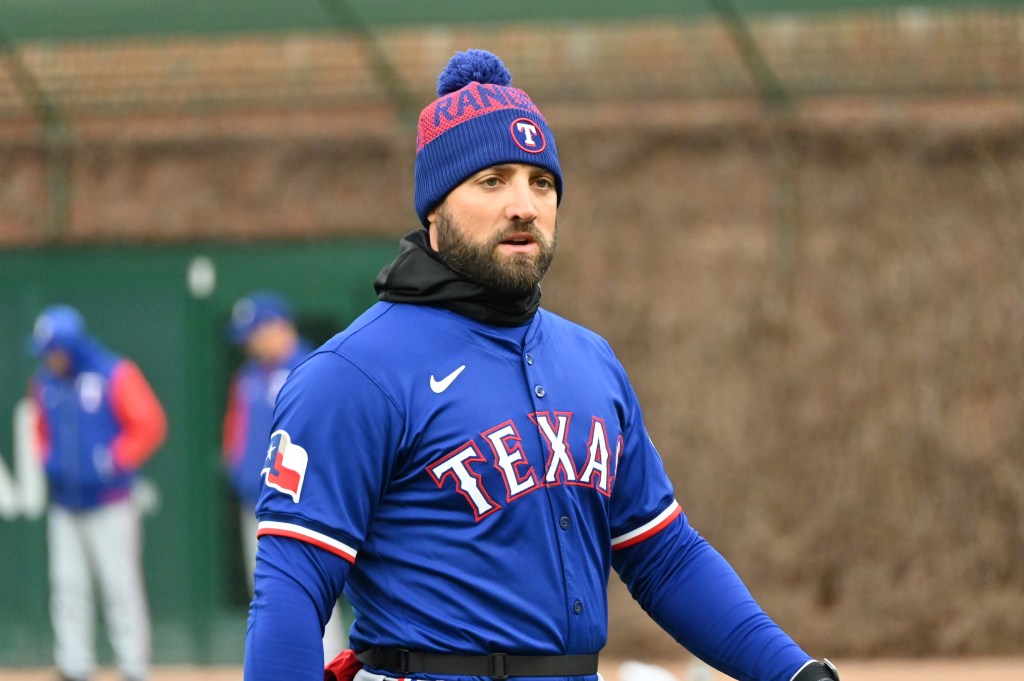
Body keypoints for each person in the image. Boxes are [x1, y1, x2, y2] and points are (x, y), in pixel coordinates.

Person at [244, 49, 840, 681]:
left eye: (542, 182)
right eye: (493, 180)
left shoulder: (591, 361)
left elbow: (663, 555)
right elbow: (292, 588)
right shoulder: (354, 372)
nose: (524, 204)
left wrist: (793, 673)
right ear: (435, 209)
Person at [28, 304, 167, 681]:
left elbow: (150, 423)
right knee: (68, 587)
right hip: (64, 503)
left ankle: (134, 666)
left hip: (110, 502)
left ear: (70, 346)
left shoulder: (114, 372)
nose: (48, 358)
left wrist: (114, 460)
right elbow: (39, 430)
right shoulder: (45, 382)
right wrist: (49, 461)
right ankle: (74, 664)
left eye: (53, 350)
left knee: (120, 586)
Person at [222, 291, 348, 662]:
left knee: (314, 590)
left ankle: (330, 666)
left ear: (278, 326)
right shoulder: (247, 378)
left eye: (254, 334)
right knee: (268, 593)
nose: (249, 345)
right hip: (257, 502)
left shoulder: (314, 365)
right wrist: (238, 471)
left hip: (304, 504)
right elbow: (235, 434)